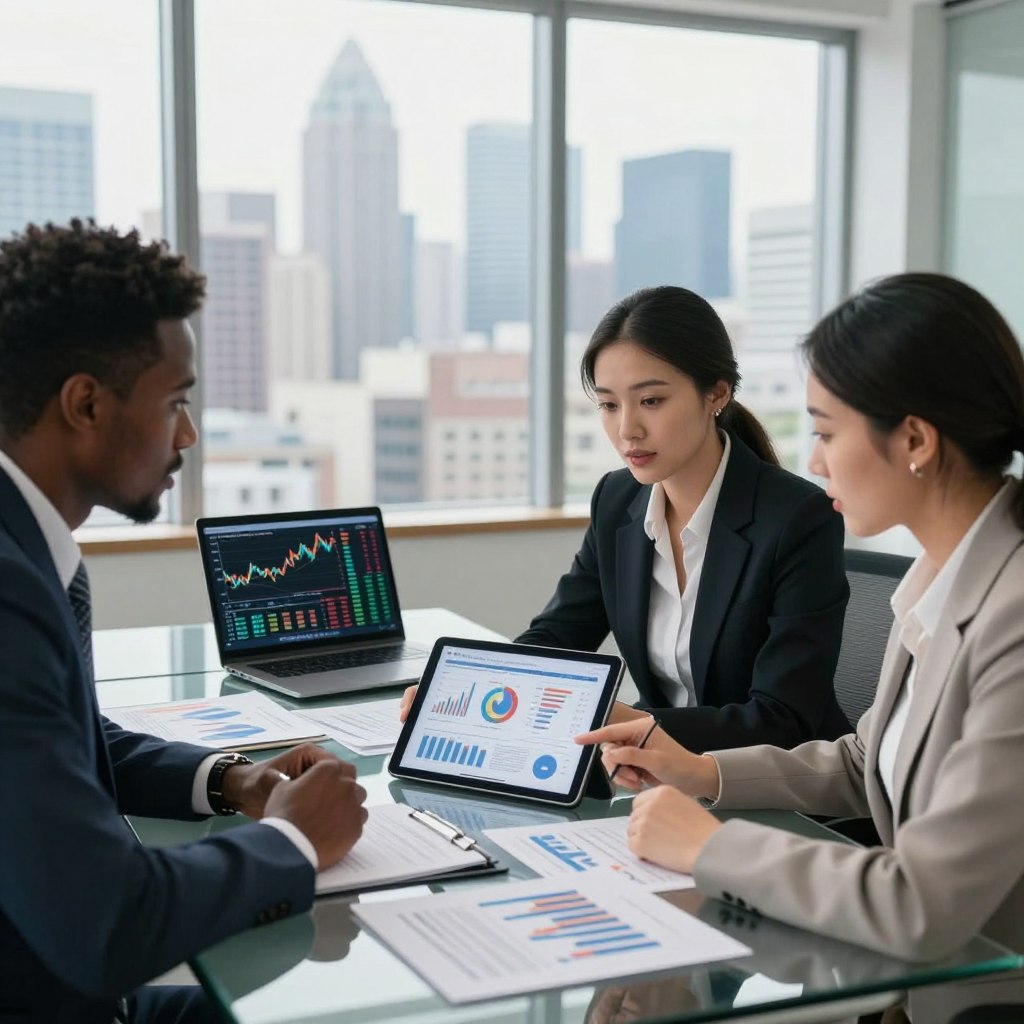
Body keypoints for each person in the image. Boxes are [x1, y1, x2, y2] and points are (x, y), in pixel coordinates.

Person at [581, 272, 1024, 1021]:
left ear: (914, 440)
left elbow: (918, 903)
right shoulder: (940, 576)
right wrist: (700, 771)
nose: (814, 463)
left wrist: (707, 848)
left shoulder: (1012, 619)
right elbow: (865, 759)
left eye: (824, 432)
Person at [0, 220, 368, 1024]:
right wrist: (294, 843)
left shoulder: (24, 547)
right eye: (175, 402)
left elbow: (63, 744)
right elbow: (108, 925)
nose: (189, 435)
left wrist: (229, 778)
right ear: (86, 404)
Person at [402, 285, 850, 751]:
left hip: (775, 790)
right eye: (609, 404)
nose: (626, 430)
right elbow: (560, 635)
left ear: (716, 392)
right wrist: (467, 690)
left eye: (651, 401)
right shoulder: (617, 499)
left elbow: (782, 720)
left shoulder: (796, 518)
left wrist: (631, 722)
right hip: (654, 775)